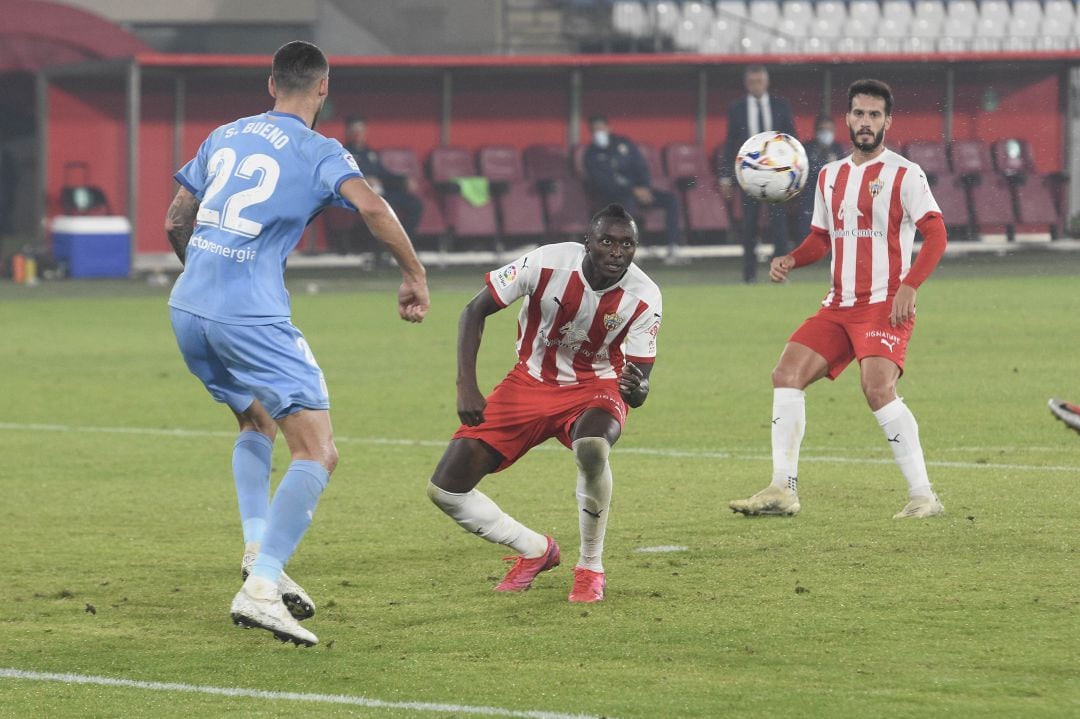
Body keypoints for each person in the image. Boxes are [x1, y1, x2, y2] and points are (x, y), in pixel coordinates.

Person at [164, 41, 430, 646]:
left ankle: (260, 548)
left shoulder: (224, 135)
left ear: (270, 84)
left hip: (187, 306)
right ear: (323, 87)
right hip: (251, 318)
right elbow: (373, 206)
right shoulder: (320, 151)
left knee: (255, 424)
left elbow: (177, 221)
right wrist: (413, 273)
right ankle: (260, 588)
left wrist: (206, 282)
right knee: (317, 451)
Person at [728, 78, 948, 520]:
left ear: (887, 120)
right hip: (839, 305)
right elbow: (821, 239)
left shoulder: (905, 173)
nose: (865, 122)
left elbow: (937, 234)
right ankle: (782, 489)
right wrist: (792, 258)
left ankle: (924, 495)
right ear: (847, 118)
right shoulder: (829, 175)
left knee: (877, 388)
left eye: (873, 115)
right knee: (786, 373)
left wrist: (910, 285)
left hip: (886, 303)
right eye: (858, 114)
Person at [426, 204, 662, 603]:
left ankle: (590, 567)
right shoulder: (546, 262)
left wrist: (638, 393)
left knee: (592, 448)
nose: (616, 252)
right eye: (607, 241)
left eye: (627, 244)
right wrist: (467, 384)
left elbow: (637, 383)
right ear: (587, 242)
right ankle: (535, 549)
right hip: (529, 382)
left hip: (596, 385)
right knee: (445, 491)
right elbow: (474, 310)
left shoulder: (644, 296)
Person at [720, 65, 797, 283]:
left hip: (777, 175)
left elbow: (791, 139)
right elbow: (729, 144)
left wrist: (793, 172)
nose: (756, 86)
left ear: (767, 82)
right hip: (748, 176)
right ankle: (749, 275)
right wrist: (725, 176)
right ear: (747, 84)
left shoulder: (781, 106)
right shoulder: (737, 108)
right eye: (752, 82)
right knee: (749, 226)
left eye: (760, 81)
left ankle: (780, 274)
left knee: (779, 226)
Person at [583, 114, 684, 263]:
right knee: (625, 205)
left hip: (640, 191)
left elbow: (641, 167)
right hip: (613, 197)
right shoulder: (590, 155)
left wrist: (645, 188)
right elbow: (603, 183)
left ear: (608, 128)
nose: (598, 133)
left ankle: (672, 247)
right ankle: (630, 250)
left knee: (671, 201)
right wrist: (632, 190)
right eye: (594, 130)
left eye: (601, 128)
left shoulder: (624, 144)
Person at [341, 115, 423, 248]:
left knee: (414, 204)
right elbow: (343, 178)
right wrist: (364, 180)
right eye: (355, 130)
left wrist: (403, 179)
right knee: (384, 206)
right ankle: (383, 248)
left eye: (361, 130)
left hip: (382, 193)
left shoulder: (370, 153)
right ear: (348, 132)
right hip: (362, 196)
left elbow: (384, 174)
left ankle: (404, 244)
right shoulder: (343, 153)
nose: (358, 134)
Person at [796, 115, 845, 240]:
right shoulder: (807, 148)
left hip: (832, 192)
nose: (826, 133)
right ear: (816, 131)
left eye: (829, 130)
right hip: (810, 191)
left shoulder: (838, 149)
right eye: (823, 130)